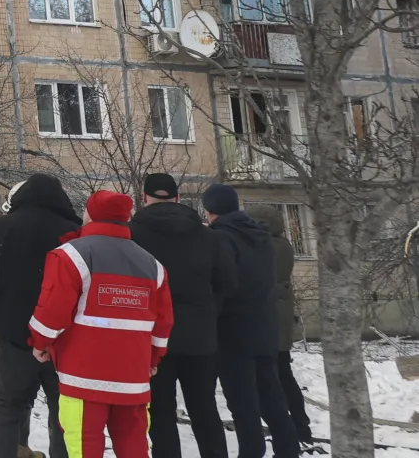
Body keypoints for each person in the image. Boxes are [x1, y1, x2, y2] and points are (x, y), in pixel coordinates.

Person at [27, 190, 173, 458]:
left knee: (84, 446)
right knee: (134, 447)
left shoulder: (69, 255)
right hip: (133, 377)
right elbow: (162, 324)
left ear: (90, 215)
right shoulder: (153, 265)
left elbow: (53, 311)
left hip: (84, 376)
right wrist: (152, 360)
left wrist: (40, 342)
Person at [0, 172, 82, 458]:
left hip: (13, 333)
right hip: (63, 339)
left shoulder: (1, 227)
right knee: (63, 410)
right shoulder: (76, 232)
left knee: (9, 405)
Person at [129, 174, 236, 458]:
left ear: (144, 198)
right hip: (200, 337)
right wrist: (208, 313)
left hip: (151, 340)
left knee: (160, 413)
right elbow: (227, 283)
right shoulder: (209, 236)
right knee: (204, 409)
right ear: (178, 198)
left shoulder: (132, 235)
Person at [202, 184, 299, 458]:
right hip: (265, 330)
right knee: (273, 401)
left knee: (244, 407)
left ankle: (251, 452)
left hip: (233, 334)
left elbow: (222, 285)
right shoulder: (262, 236)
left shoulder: (220, 239)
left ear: (210, 211)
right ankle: (288, 451)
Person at [246, 204, 313, 447]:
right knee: (283, 374)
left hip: (268, 321)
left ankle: (291, 426)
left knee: (273, 379)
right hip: (281, 320)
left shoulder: (265, 247)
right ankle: (299, 425)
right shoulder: (283, 245)